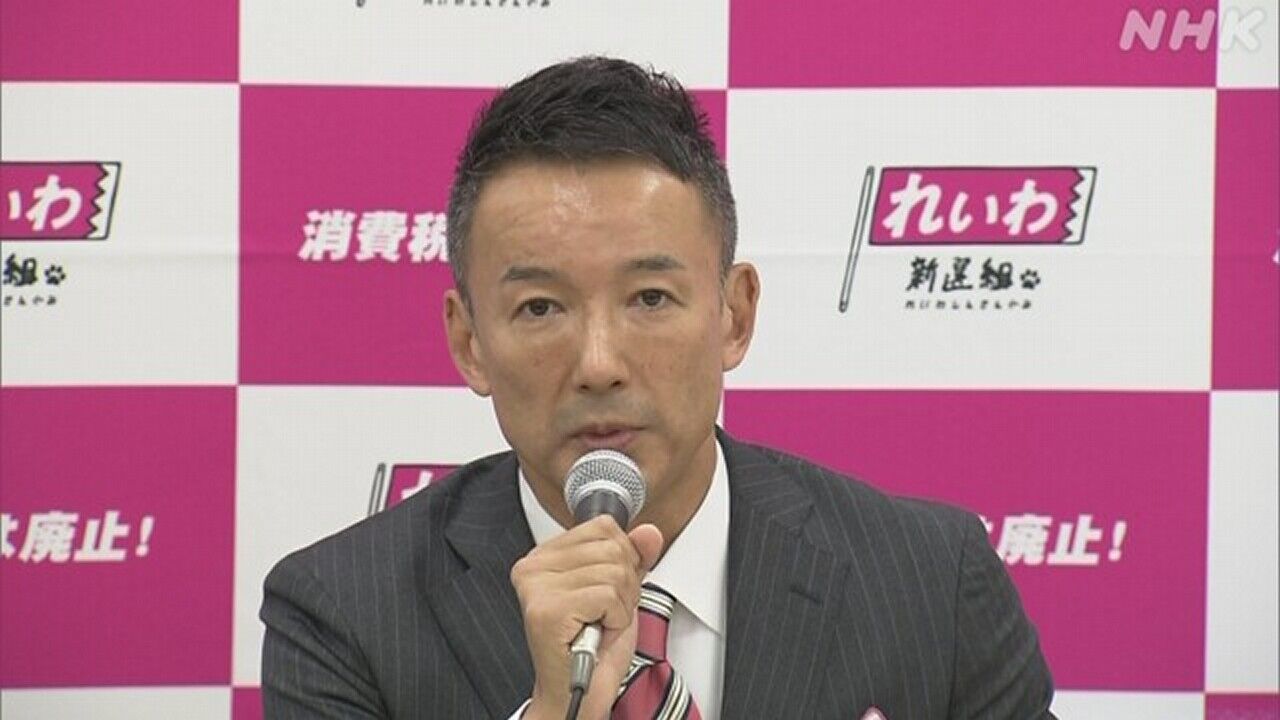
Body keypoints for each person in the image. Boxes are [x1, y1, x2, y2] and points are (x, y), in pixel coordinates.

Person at [260, 56, 1055, 719]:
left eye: (649, 298)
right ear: (470, 344)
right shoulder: (344, 614)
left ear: (734, 316)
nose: (599, 362)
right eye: (541, 308)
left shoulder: (929, 582)